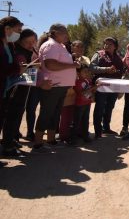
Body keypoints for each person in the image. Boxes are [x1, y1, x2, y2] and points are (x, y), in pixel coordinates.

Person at [33, 24, 80, 152]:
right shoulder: (51, 45)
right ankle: (38, 143)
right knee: (47, 113)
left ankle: (51, 140)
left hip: (60, 86)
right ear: (54, 32)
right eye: (63, 32)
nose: (67, 35)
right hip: (53, 85)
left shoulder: (60, 46)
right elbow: (50, 64)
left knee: (55, 113)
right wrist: (72, 66)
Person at [2, 29, 39, 156]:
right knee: (12, 115)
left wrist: (33, 67)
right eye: (27, 41)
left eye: (33, 41)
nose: (31, 44)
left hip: (24, 87)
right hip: (15, 88)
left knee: (18, 114)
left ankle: (11, 140)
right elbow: (19, 70)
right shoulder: (17, 51)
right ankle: (7, 145)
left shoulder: (31, 51)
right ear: (20, 40)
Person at [90, 37, 124, 138]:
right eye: (105, 44)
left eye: (110, 44)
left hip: (114, 87)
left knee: (109, 107)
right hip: (101, 87)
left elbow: (120, 71)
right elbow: (91, 68)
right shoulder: (98, 54)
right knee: (100, 108)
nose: (106, 46)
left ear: (115, 46)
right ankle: (98, 131)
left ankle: (106, 128)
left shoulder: (118, 57)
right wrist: (106, 69)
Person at [0, 16, 24, 160]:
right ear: (7, 29)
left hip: (5, 89)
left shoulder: (9, 44)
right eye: (17, 30)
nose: (18, 34)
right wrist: (16, 70)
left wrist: (18, 68)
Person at [69, 65, 96, 145]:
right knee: (76, 122)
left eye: (88, 71)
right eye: (84, 72)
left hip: (87, 104)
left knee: (85, 121)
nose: (87, 73)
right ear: (78, 73)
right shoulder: (77, 82)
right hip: (79, 105)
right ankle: (72, 139)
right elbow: (82, 93)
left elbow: (90, 92)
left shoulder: (87, 81)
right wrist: (93, 88)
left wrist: (95, 88)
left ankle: (85, 136)